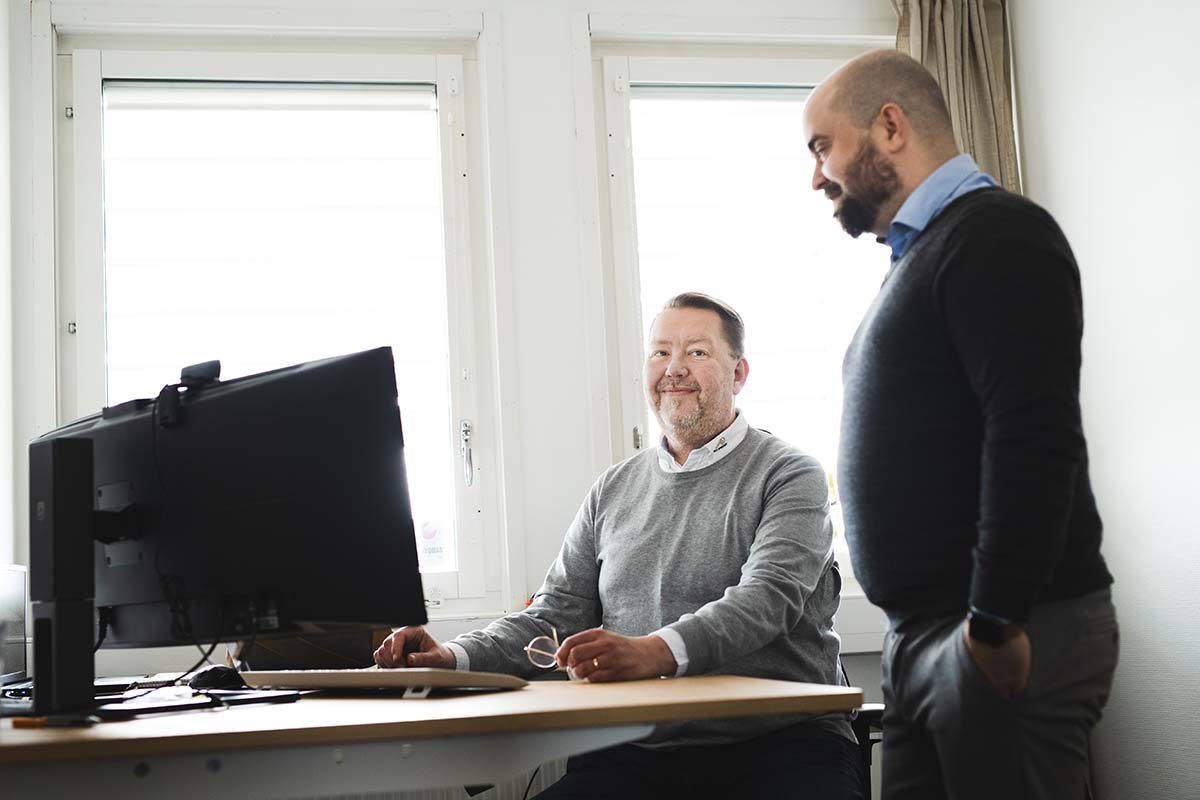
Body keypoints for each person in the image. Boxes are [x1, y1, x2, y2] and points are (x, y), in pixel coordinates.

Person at [376, 293, 863, 799]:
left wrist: (653, 652)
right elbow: (554, 614)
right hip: (637, 752)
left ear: (738, 374)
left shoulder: (790, 474)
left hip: (780, 747)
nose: (674, 369)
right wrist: (452, 658)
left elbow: (768, 599)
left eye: (696, 352)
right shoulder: (612, 489)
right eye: (659, 353)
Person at [802, 49, 1118, 800]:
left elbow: (1033, 433)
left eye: (823, 147)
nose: (816, 176)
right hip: (928, 637)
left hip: (1000, 629)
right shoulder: (922, 258)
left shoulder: (998, 235)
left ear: (889, 126)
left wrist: (996, 620)